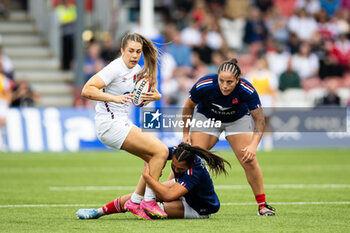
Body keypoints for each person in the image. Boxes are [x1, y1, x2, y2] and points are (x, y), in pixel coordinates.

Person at [81, 33, 169, 219]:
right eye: (130, 51)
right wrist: (114, 98)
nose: (134, 55)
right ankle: (149, 201)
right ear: (122, 51)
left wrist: (156, 97)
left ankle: (135, 201)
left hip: (121, 122)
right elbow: (87, 89)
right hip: (109, 125)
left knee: (155, 160)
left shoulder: (136, 70)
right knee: (161, 151)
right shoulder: (115, 68)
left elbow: (140, 99)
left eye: (138, 51)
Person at [181, 58, 276, 216]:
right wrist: (185, 134)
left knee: (249, 160)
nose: (225, 85)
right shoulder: (204, 84)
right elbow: (188, 106)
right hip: (207, 118)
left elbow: (260, 120)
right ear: (216, 77)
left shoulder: (247, 89)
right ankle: (166, 194)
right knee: (188, 155)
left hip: (237, 120)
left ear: (237, 80)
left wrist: (253, 145)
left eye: (230, 82)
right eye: (221, 81)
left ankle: (262, 205)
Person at [76, 143, 231, 220]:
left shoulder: (194, 172)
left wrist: (149, 178)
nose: (176, 170)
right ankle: (98, 212)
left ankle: (143, 203)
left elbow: (169, 195)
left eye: (180, 169)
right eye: (174, 166)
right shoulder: (179, 152)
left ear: (189, 166)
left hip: (198, 207)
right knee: (138, 197)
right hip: (184, 190)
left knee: (152, 208)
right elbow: (157, 153)